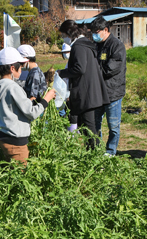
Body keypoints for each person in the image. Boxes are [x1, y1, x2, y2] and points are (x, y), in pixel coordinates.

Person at [0, 47, 56, 166]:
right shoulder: (13, 88)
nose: (21, 70)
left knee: (10, 174)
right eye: (20, 66)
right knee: (21, 177)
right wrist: (46, 99)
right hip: (16, 142)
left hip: (4, 137)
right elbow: (32, 113)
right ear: (12, 68)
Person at [58, 20, 110, 149]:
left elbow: (79, 68)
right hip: (90, 92)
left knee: (89, 128)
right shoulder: (86, 44)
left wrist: (62, 73)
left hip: (86, 94)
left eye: (64, 35)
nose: (64, 38)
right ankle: (90, 153)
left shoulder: (79, 46)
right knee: (86, 127)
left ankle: (94, 156)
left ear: (69, 33)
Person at [90, 16, 127, 156]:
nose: (94, 35)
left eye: (96, 31)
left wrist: (93, 70)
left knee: (113, 126)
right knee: (95, 123)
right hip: (98, 92)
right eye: (92, 32)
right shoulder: (96, 45)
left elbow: (109, 70)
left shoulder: (117, 46)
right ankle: (97, 149)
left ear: (105, 30)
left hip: (113, 93)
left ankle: (110, 151)